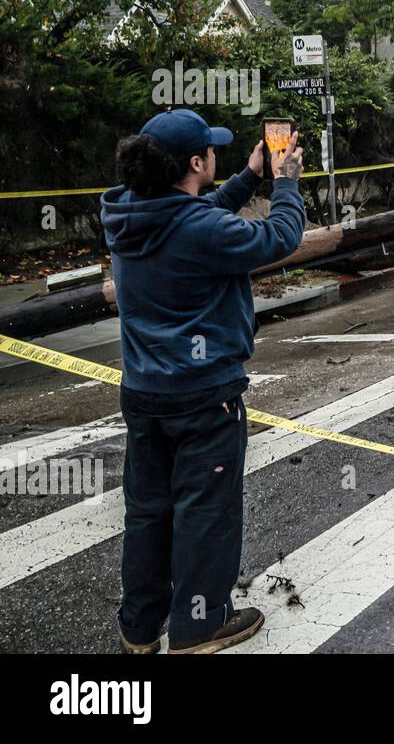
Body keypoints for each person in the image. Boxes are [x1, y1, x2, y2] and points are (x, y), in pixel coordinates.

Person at [100, 109, 306, 654]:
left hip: (143, 395)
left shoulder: (127, 213)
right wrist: (286, 182)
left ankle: (138, 629)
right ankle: (199, 627)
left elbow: (190, 215)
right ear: (196, 162)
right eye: (211, 150)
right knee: (205, 514)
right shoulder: (201, 230)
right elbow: (280, 237)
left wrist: (250, 176)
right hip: (203, 398)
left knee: (148, 514)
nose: (217, 154)